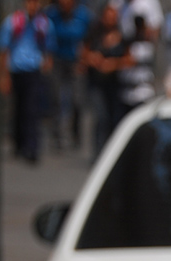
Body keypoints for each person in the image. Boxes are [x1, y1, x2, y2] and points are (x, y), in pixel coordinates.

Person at [0, 0, 57, 164]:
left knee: (31, 110)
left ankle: (32, 147)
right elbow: (4, 49)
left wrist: (47, 66)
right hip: (16, 69)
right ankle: (18, 143)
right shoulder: (13, 22)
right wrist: (3, 76)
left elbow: (49, 48)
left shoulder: (44, 24)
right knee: (17, 108)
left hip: (33, 70)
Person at [82, 3, 128, 160]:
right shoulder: (94, 32)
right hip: (96, 82)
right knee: (100, 117)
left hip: (114, 83)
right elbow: (84, 52)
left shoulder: (121, 34)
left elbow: (129, 58)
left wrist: (113, 64)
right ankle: (98, 153)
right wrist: (94, 59)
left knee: (113, 118)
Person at [46, 0, 93, 150]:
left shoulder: (83, 15)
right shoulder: (52, 15)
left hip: (76, 61)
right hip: (58, 60)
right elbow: (47, 37)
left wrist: (84, 59)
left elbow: (89, 39)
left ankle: (75, 133)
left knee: (77, 100)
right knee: (56, 98)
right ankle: (56, 135)